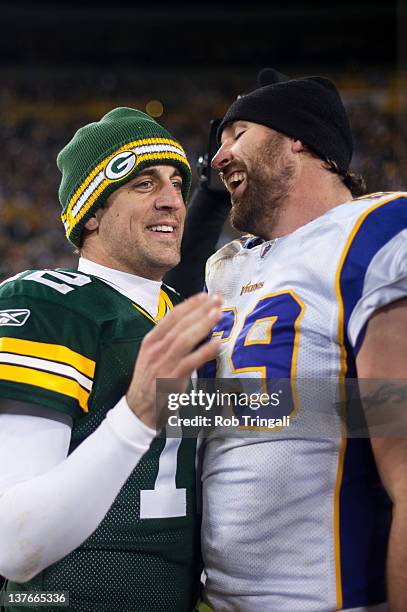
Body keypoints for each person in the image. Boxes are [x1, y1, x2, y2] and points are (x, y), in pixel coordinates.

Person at [198, 70, 407, 611]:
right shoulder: (227, 266)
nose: (218, 159)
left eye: (236, 134)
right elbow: (216, 413)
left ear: (299, 139)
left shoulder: (380, 228)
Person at [0, 107, 222, 612]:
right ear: (92, 213)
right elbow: (13, 544)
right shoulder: (52, 304)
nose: (172, 201)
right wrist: (133, 419)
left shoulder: (181, 319)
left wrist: (383, 403)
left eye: (176, 185)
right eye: (144, 184)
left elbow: (256, 411)